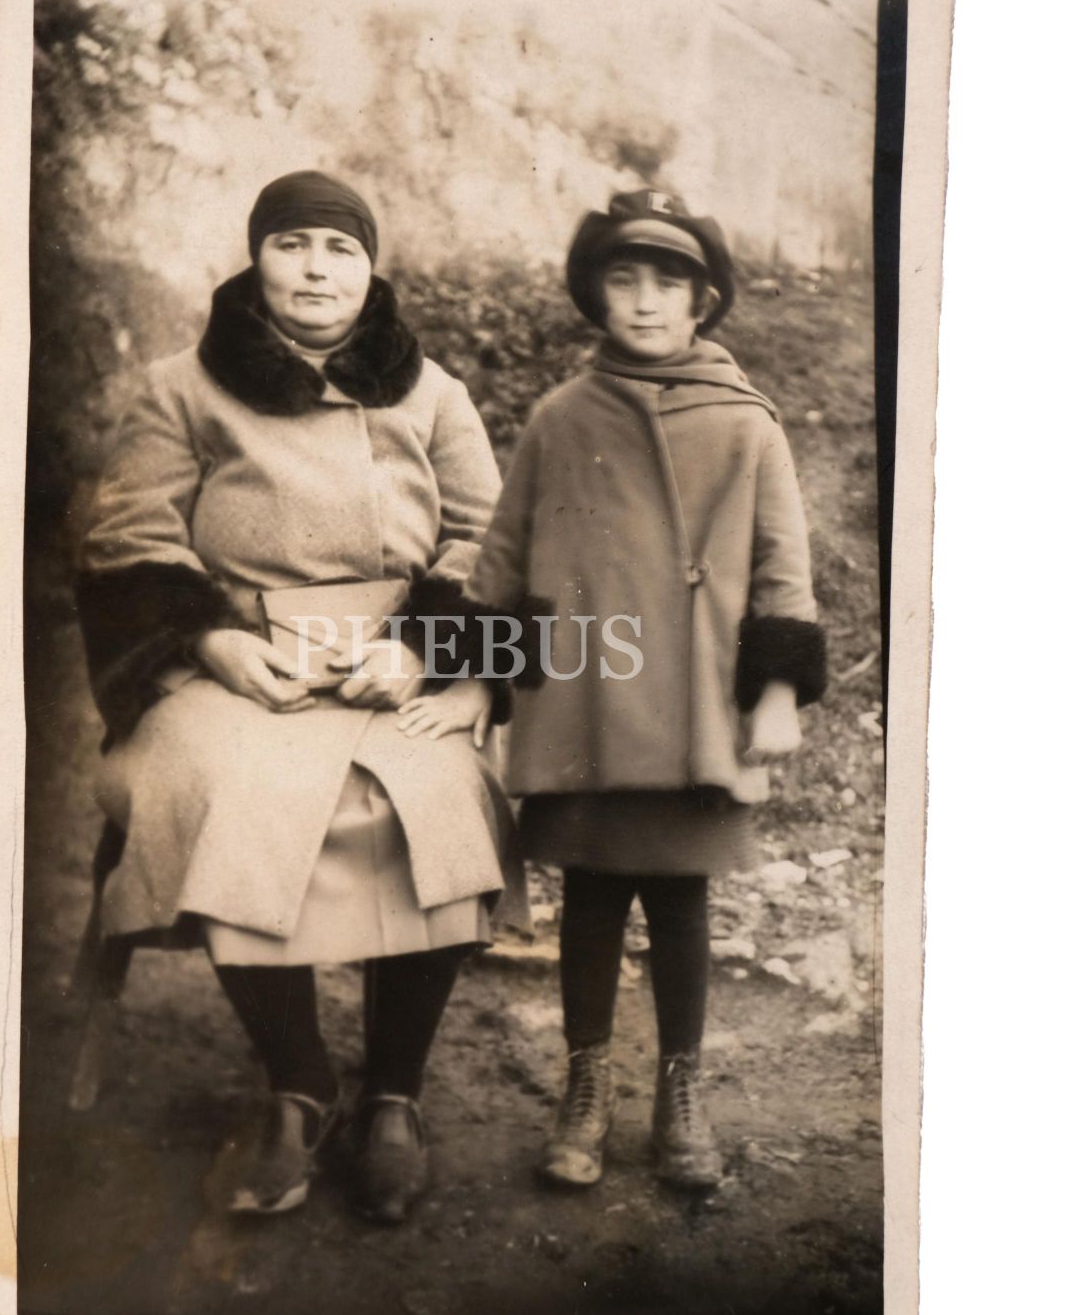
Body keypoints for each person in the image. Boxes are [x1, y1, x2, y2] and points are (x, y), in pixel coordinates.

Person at [75, 170, 514, 1224]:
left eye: (340, 249)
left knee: (436, 795)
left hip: (389, 664)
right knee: (228, 792)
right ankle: (300, 1083)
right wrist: (212, 640)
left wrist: (423, 650)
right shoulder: (181, 386)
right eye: (292, 244)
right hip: (238, 663)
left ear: (370, 270)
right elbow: (129, 532)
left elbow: (489, 538)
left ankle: (394, 1093)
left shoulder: (433, 394)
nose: (317, 269)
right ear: (257, 256)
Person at [466, 188, 827, 1190]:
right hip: (587, 697)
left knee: (678, 900)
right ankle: (586, 1085)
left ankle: (681, 1090)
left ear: (703, 301)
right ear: (596, 296)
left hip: (696, 705)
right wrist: (477, 686)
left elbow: (782, 566)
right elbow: (502, 559)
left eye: (669, 282)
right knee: (589, 897)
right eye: (623, 279)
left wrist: (778, 690)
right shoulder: (560, 416)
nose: (644, 300)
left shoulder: (747, 423)